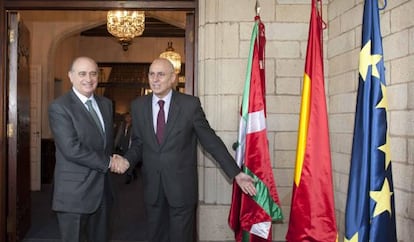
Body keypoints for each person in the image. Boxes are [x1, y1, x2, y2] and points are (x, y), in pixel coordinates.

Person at [113, 58, 256, 242]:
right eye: (151, 74)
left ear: (173, 78)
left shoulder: (190, 105)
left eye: (161, 74)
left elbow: (210, 140)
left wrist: (236, 173)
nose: (155, 79)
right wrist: (127, 160)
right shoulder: (138, 106)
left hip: (181, 188)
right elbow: (139, 143)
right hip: (152, 188)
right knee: (154, 235)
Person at [48, 56, 129, 242]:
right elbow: (71, 149)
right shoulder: (59, 107)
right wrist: (110, 162)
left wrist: (115, 157)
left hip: (103, 192)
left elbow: (104, 144)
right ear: (71, 76)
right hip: (74, 194)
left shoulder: (106, 104)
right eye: (82, 73)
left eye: (93, 73)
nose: (89, 79)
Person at [114, 112, 137, 184]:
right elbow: (119, 134)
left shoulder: (134, 126)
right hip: (123, 145)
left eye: (129, 117)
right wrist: (115, 144)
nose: (127, 118)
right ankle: (133, 172)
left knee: (129, 160)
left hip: (131, 145)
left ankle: (128, 175)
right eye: (126, 117)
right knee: (126, 159)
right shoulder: (122, 125)